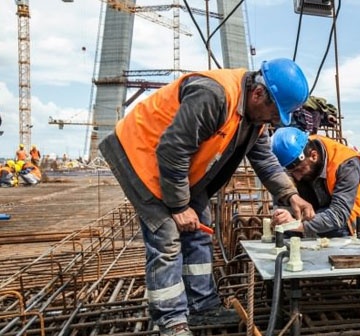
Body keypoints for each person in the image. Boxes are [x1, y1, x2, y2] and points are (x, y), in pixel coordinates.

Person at [99, 58, 316, 336]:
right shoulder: (214, 95)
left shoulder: (255, 117)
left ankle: (202, 305)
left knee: (201, 227)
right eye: (275, 114)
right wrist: (178, 206)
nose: (275, 121)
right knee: (166, 236)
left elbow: (265, 161)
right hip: (142, 156)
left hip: (181, 168)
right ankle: (172, 321)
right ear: (258, 93)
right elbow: (173, 149)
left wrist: (290, 195)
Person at [270, 127, 360, 238]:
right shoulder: (294, 155)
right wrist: (283, 214)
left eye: (300, 170)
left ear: (314, 156)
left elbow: (338, 215)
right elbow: (283, 197)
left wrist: (296, 225)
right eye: (292, 172)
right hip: (332, 214)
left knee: (329, 231)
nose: (297, 177)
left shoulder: (347, 164)